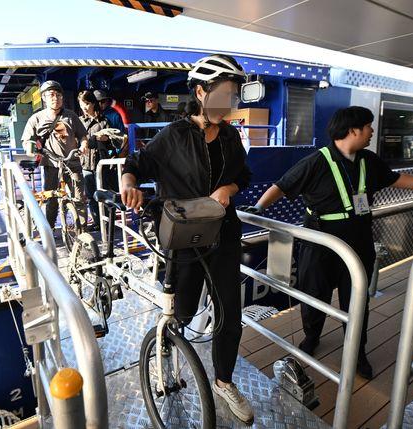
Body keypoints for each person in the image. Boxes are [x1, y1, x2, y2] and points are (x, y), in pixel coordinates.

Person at [249, 106, 413, 379]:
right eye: (368, 126)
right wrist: (258, 209)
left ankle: (357, 352)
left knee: (357, 300)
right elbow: (282, 186)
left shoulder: (369, 160)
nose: (372, 131)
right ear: (352, 130)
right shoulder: (316, 161)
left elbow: (396, 179)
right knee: (314, 295)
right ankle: (312, 337)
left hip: (358, 243)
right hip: (320, 244)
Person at [121, 54, 254, 424]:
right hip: (183, 237)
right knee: (182, 309)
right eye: (224, 95)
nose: (230, 103)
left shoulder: (230, 136)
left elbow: (244, 176)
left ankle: (224, 381)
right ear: (201, 93)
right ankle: (167, 346)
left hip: (224, 234)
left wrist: (228, 188)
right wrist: (129, 184)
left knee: (230, 314)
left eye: (234, 96)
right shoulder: (173, 136)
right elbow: (135, 165)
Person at [22, 80, 89, 229]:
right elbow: (27, 140)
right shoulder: (36, 118)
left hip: (72, 163)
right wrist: (30, 148)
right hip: (51, 165)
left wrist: (84, 145)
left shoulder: (71, 116)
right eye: (51, 95)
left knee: (79, 198)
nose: (55, 98)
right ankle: (50, 228)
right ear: (44, 98)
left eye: (58, 95)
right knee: (51, 199)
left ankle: (82, 229)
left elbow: (83, 135)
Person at [77, 90, 127, 229]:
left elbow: (117, 142)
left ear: (93, 103)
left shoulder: (105, 121)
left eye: (87, 103)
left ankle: (108, 223)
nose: (84, 107)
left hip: (102, 162)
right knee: (90, 195)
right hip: (86, 163)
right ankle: (98, 223)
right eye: (82, 104)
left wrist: (106, 139)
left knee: (105, 193)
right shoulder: (79, 122)